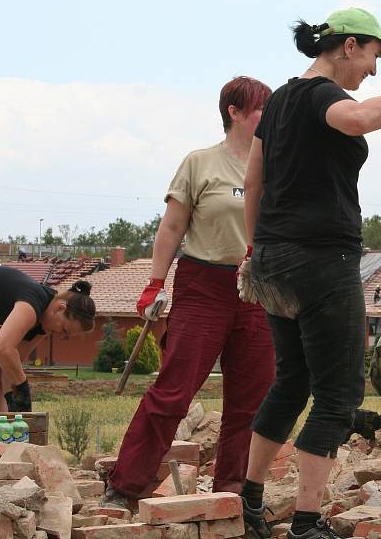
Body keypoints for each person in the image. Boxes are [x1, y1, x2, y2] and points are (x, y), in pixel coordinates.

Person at [236, 7, 381, 539]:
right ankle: (307, 523)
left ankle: (251, 503)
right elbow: (356, 119)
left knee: (291, 382)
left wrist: (253, 248)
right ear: (350, 46)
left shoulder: (280, 101)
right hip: (320, 261)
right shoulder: (320, 96)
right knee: (337, 394)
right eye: (375, 56)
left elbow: (254, 180)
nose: (374, 71)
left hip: (274, 259)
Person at [101, 76, 275, 509]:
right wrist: (154, 283)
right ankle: (124, 487)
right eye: (260, 108)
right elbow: (173, 227)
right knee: (174, 391)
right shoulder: (201, 164)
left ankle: (233, 492)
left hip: (257, 289)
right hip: (204, 285)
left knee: (251, 400)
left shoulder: (277, 165)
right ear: (234, 112)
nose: (267, 116)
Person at [0, 265, 96, 411]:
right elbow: (2, 348)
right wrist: (22, 386)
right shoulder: (32, 303)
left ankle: (0, 432)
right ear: (60, 308)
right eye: (64, 329)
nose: (61, 335)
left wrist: (14, 401)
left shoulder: (44, 325)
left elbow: (9, 366)